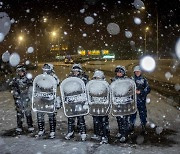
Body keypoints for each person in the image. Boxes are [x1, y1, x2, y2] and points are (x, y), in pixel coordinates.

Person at [65, 63, 89, 141]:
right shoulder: (70, 78)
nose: (75, 72)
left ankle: (83, 132)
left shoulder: (84, 78)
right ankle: (70, 131)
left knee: (80, 117)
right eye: (74, 71)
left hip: (80, 101)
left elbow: (86, 87)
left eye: (77, 71)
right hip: (72, 101)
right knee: (70, 117)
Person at [36, 63, 60, 139]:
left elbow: (57, 83)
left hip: (50, 99)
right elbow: (36, 86)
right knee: (40, 115)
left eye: (47, 69)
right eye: (44, 69)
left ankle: (52, 131)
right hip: (41, 99)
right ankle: (41, 129)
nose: (45, 71)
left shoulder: (54, 77)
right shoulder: (40, 77)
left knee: (51, 116)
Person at [9, 64, 34, 134]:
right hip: (19, 99)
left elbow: (31, 87)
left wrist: (29, 93)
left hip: (26, 98)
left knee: (28, 113)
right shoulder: (15, 79)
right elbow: (11, 87)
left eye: (21, 71)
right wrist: (15, 92)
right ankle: (19, 126)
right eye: (18, 72)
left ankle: (30, 125)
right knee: (19, 113)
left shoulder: (28, 79)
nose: (20, 73)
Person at [90, 70, 110, 144]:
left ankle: (105, 135)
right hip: (95, 105)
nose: (97, 79)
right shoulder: (91, 85)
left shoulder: (105, 85)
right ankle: (97, 134)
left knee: (104, 121)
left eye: (98, 77)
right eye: (96, 77)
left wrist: (107, 104)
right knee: (96, 121)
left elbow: (108, 95)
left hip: (103, 106)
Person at [111, 65, 130, 142]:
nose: (119, 74)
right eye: (117, 72)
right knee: (119, 118)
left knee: (124, 119)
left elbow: (130, 89)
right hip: (117, 102)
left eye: (120, 72)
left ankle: (124, 134)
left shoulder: (127, 80)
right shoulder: (114, 80)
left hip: (125, 102)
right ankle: (120, 131)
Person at [129, 65, 151, 134]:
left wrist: (141, 92)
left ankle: (143, 126)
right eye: (136, 71)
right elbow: (128, 88)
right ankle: (131, 126)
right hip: (133, 100)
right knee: (132, 114)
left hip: (141, 100)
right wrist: (132, 92)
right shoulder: (131, 79)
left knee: (143, 114)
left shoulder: (144, 80)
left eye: (138, 71)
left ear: (140, 72)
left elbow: (148, 89)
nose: (137, 73)